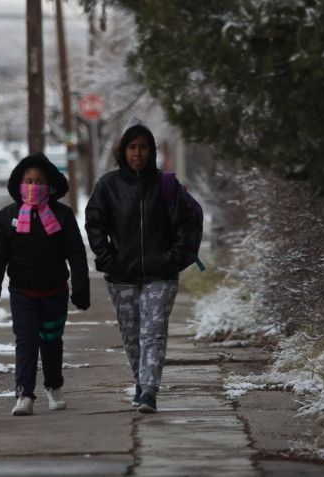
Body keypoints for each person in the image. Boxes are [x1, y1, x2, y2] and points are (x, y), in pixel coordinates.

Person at [85, 119, 198, 413]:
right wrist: (108, 258)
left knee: (154, 331)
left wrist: (172, 258)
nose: (138, 153)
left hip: (161, 275)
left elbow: (187, 225)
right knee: (132, 335)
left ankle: (149, 390)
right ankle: (141, 382)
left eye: (144, 147)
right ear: (123, 151)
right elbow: (94, 223)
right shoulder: (108, 186)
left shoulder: (166, 186)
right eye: (132, 147)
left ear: (152, 151)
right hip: (122, 276)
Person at [0, 152, 90, 416]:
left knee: (52, 341)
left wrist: (81, 288)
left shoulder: (62, 216)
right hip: (22, 293)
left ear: (50, 185)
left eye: (39, 181)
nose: (33, 186)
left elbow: (76, 253)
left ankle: (54, 387)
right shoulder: (7, 217)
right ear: (19, 185)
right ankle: (24, 394)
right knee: (26, 341)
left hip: (55, 292)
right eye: (28, 181)